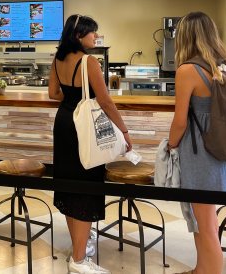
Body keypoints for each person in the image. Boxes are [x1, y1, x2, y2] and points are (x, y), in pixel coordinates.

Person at [48, 14, 132, 274]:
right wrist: (125, 131)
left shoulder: (58, 59)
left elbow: (53, 94)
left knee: (69, 185)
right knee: (86, 187)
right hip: (82, 128)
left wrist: (72, 95)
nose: (96, 37)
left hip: (64, 122)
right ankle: (79, 259)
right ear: (78, 36)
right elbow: (106, 101)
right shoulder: (89, 62)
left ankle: (78, 248)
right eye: (92, 33)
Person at [167, 11, 226, 274]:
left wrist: (170, 145)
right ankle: (201, 269)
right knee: (205, 219)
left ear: (186, 37)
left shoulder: (188, 70)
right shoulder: (224, 65)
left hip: (200, 153)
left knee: (206, 223)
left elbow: (180, 122)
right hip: (222, 149)